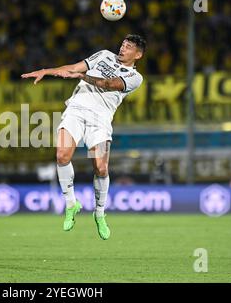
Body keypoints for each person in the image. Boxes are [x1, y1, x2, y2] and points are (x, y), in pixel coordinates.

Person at [22, 34, 146, 240]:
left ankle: (99, 213)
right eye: (123, 44)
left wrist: (82, 77)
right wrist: (47, 71)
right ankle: (71, 204)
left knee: (101, 167)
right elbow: (74, 67)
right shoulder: (104, 55)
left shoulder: (135, 77)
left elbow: (109, 84)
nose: (123, 48)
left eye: (129, 46)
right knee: (62, 155)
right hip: (76, 110)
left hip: (101, 119)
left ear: (138, 54)